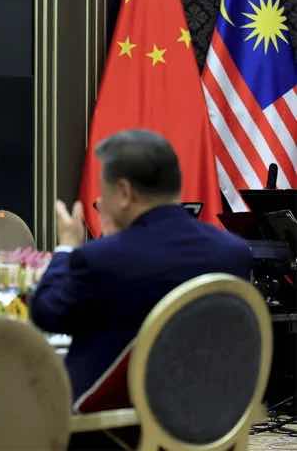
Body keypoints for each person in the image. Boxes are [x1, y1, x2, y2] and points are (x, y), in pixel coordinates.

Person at [30, 129, 251, 405]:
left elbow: (47, 314)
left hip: (113, 422)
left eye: (103, 191)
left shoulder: (102, 258)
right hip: (206, 419)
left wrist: (66, 247)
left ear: (124, 192)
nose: (101, 201)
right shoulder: (233, 254)